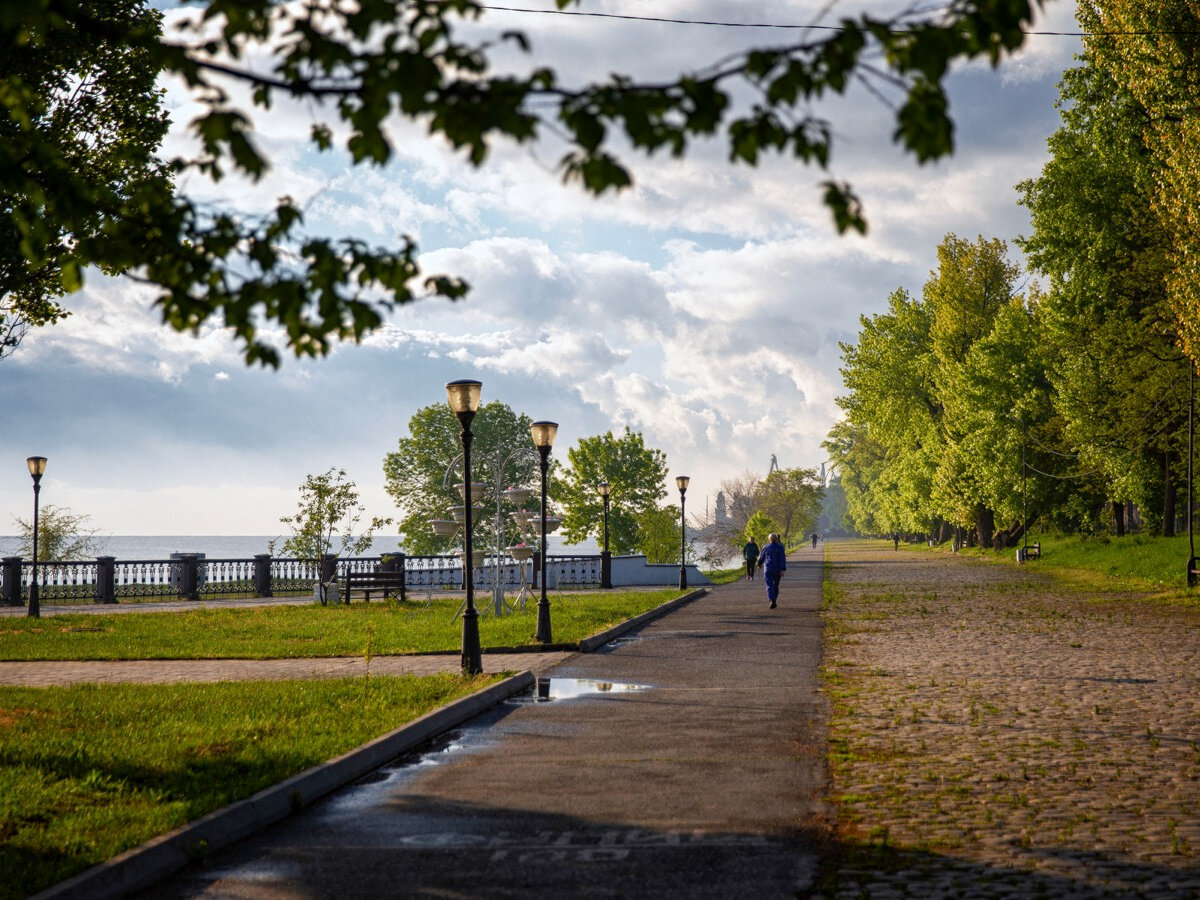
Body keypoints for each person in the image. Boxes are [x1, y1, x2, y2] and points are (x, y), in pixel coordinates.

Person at [757, 532, 787, 609]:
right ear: (776, 539)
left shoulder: (766, 547)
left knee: (769, 585)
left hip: (768, 569)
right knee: (776, 585)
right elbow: (782, 559)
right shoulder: (780, 547)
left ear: (769, 539)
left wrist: (759, 565)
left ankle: (772, 600)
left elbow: (761, 557)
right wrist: (783, 569)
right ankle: (774, 600)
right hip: (777, 569)